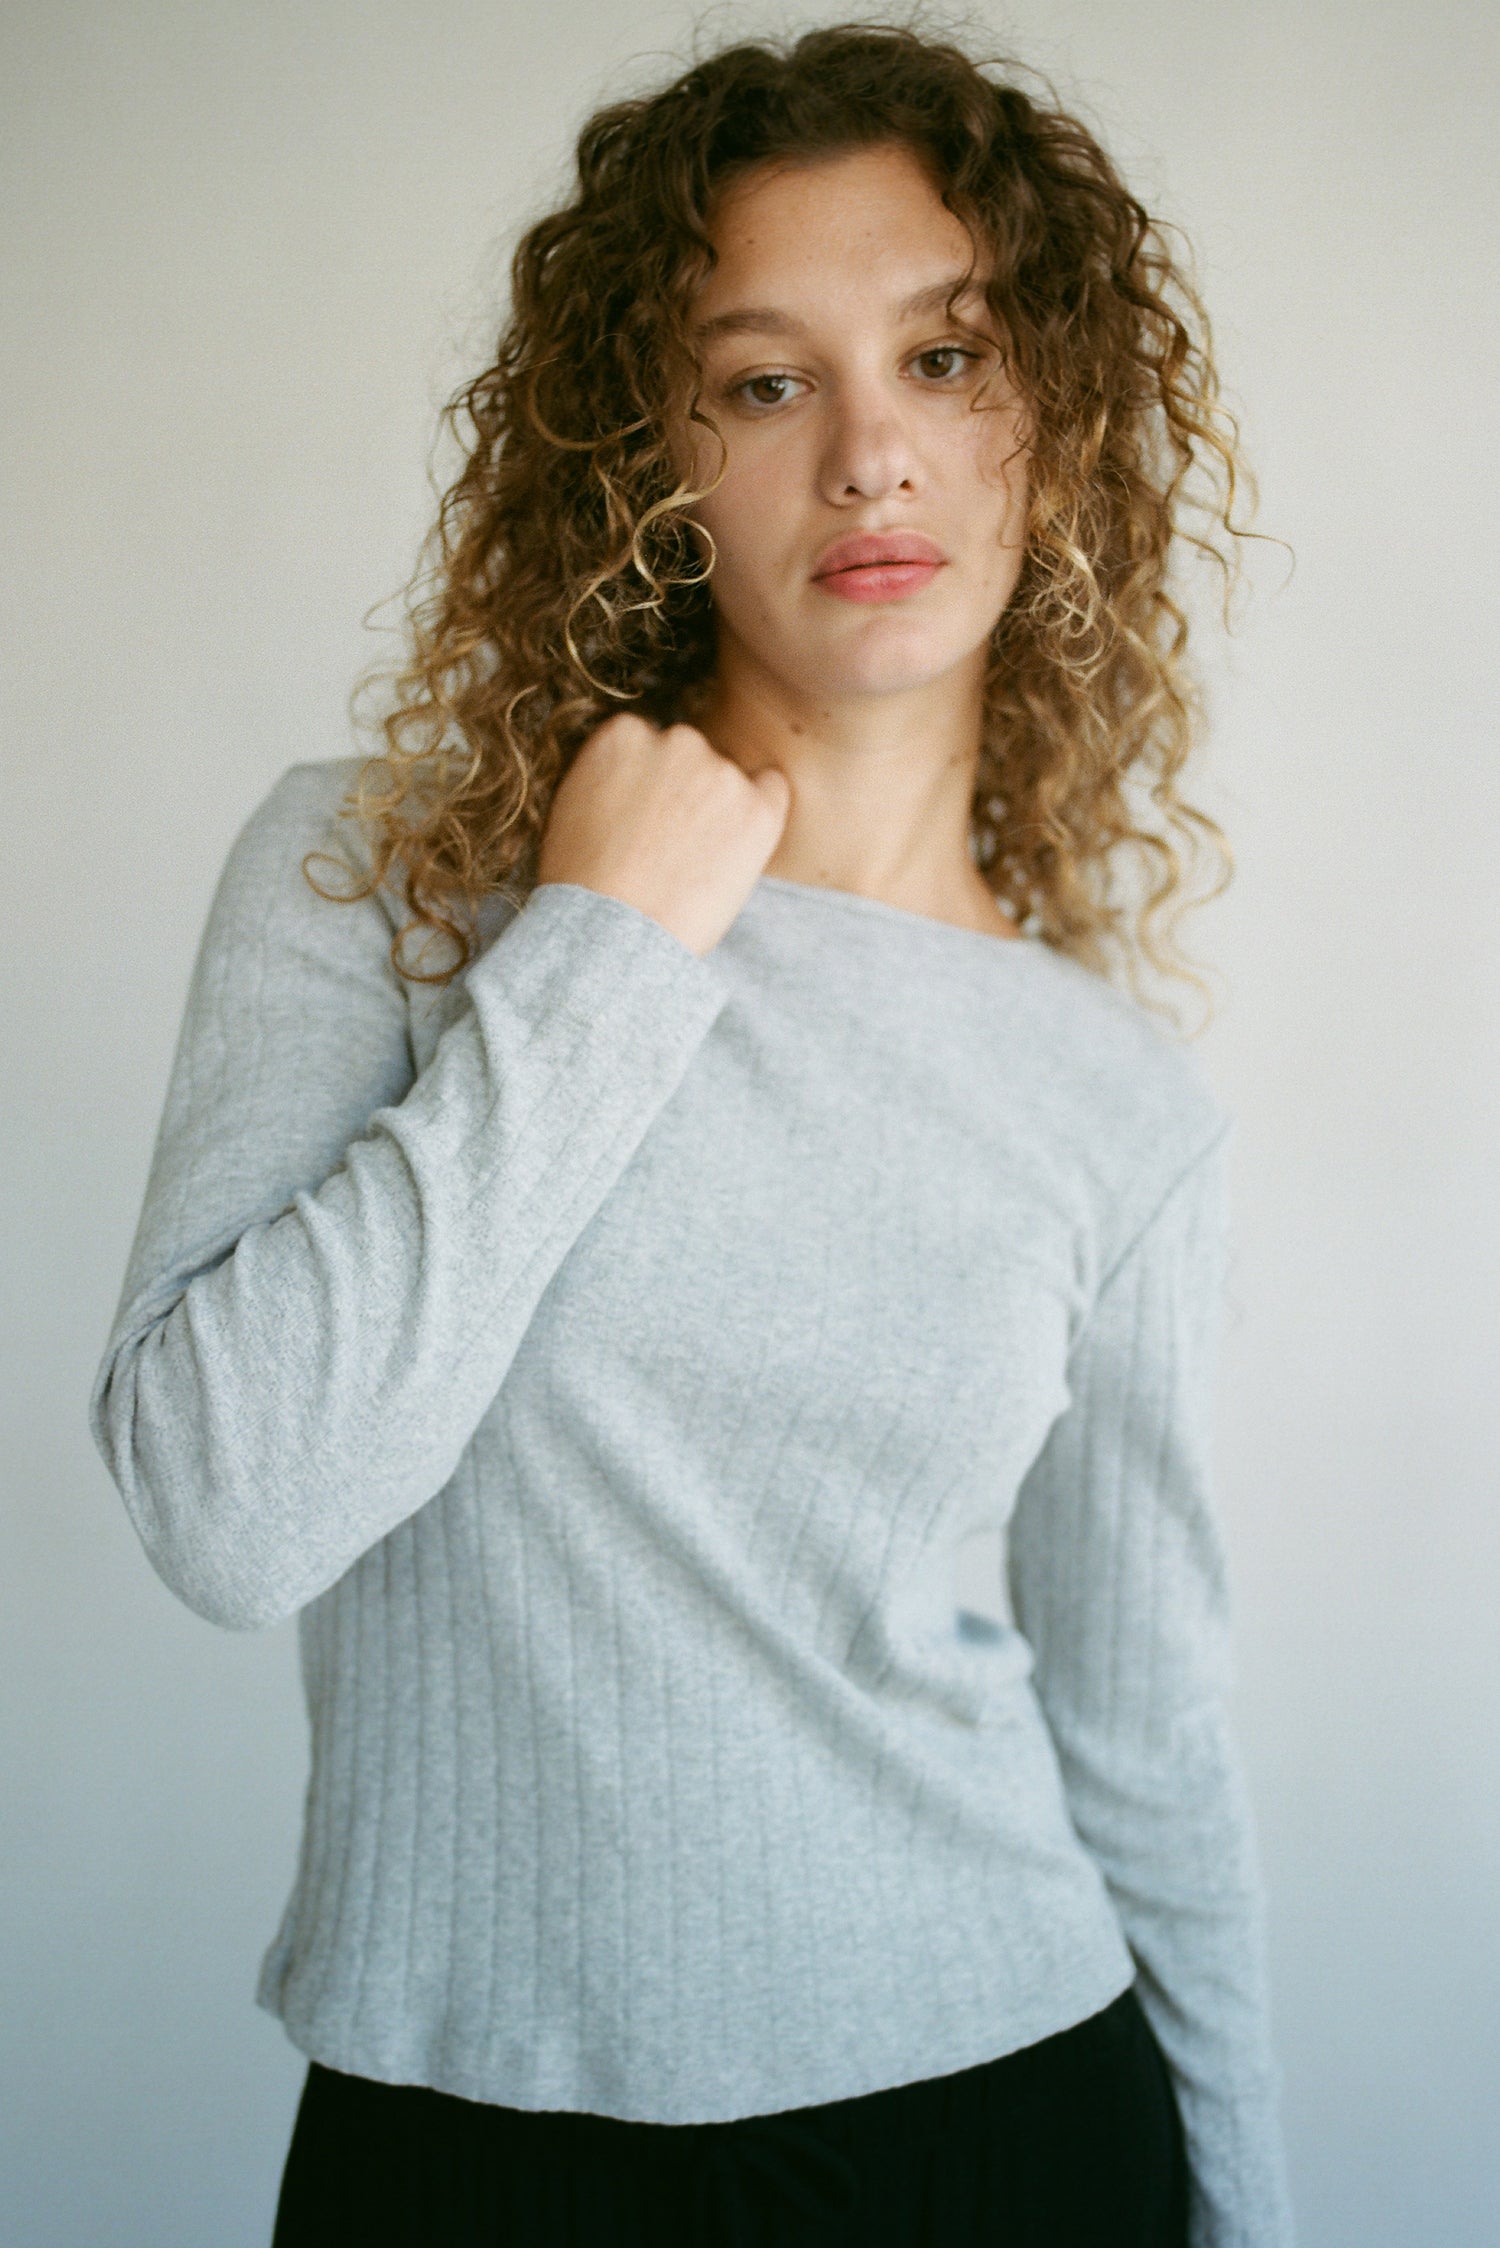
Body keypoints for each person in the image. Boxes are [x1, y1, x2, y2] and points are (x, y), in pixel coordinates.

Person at [88, 22, 1296, 2248]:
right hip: (463, 2160)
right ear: (653, 448)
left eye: (945, 355)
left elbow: (1149, 1737)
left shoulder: (1109, 1097)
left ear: (1055, 414)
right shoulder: (389, 879)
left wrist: (1254, 2212)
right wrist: (598, 949)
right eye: (764, 379)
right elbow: (225, 1502)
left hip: (1007, 2124)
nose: (867, 454)